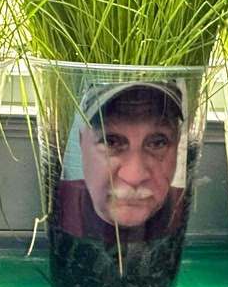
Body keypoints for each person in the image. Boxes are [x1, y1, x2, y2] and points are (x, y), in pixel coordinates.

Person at [59, 81, 186, 241]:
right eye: (111, 141)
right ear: (81, 142)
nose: (134, 176)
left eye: (157, 143)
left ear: (178, 143)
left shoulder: (183, 207)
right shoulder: (59, 204)